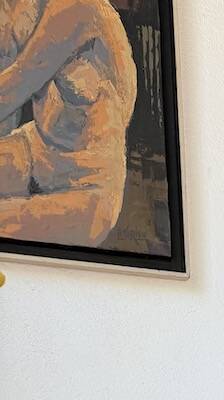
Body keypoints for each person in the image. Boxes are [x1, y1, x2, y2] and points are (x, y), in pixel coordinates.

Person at [0, 0, 136, 245]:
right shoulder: (27, 14)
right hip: (37, 151)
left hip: (86, 190)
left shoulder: (76, 8)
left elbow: (10, 91)